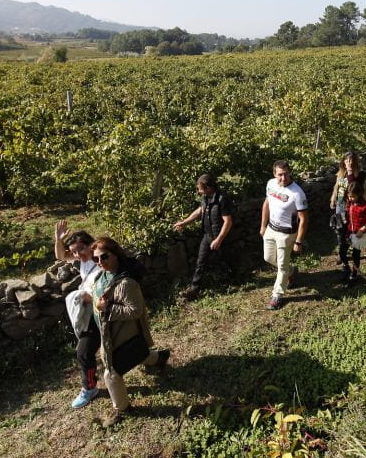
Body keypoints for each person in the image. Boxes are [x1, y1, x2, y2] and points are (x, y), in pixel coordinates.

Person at [91, 237, 170, 427]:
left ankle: (122, 409)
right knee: (134, 353)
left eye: (104, 257)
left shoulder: (126, 283)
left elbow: (135, 310)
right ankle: (158, 358)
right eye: (96, 259)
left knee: (111, 371)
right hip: (107, 330)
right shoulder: (101, 276)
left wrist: (107, 308)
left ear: (116, 254)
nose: (100, 262)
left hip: (119, 332)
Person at [56, 220, 105, 409]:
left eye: (81, 249)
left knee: (84, 352)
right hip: (89, 312)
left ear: (91, 245)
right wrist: (58, 240)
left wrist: (88, 297)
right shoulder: (84, 260)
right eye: (74, 252)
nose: (78, 255)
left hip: (98, 314)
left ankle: (89, 388)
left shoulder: (102, 261)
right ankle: (153, 357)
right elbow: (61, 256)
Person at [173, 173, 234, 301]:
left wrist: (219, 240)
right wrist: (184, 222)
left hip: (221, 237)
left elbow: (228, 221)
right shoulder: (205, 198)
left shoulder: (222, 199)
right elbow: (199, 210)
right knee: (200, 262)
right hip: (207, 236)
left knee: (229, 259)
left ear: (208, 187)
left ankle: (236, 279)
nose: (198, 190)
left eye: (200, 188)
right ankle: (194, 289)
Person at [260, 160, 308, 310]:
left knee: (281, 266)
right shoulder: (270, 184)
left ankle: (277, 295)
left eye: (286, 174)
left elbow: (304, 219)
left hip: (287, 234)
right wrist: (263, 225)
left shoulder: (297, 193)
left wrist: (298, 241)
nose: (283, 177)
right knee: (268, 257)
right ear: (275, 174)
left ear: (290, 172)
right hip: (270, 229)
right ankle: (292, 271)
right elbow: (266, 204)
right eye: (280, 174)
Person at [329, 152, 366, 259]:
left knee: (351, 229)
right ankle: (341, 254)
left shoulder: (360, 174)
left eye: (351, 160)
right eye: (347, 160)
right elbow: (337, 186)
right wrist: (333, 198)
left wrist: (350, 171)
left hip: (352, 207)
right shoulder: (341, 172)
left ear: (355, 162)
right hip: (340, 204)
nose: (349, 163)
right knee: (340, 229)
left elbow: (353, 186)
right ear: (343, 161)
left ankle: (354, 250)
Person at [342, 180, 366, 283]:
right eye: (349, 196)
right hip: (349, 232)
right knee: (342, 251)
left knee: (356, 255)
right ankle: (345, 266)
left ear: (359, 194)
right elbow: (347, 214)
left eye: (353, 196)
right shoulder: (350, 203)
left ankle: (354, 274)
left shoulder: (365, 206)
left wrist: (363, 229)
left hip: (358, 235)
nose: (350, 199)